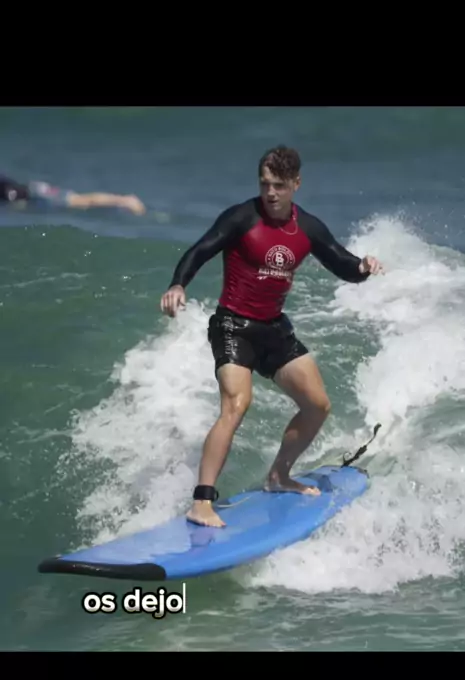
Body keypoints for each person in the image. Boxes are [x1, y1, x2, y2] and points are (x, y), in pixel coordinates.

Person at [160, 145, 384, 527]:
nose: (270, 193)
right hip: (233, 326)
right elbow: (200, 250)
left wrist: (363, 266)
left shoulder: (308, 228)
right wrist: (178, 284)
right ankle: (202, 502)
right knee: (236, 404)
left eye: (279, 185)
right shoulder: (241, 218)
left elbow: (341, 262)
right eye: (264, 184)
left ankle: (279, 475)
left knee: (317, 405)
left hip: (274, 328)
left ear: (296, 184)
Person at [0, 174, 146, 215]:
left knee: (80, 201)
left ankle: (125, 201)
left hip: (35, 194)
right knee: (79, 201)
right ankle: (123, 201)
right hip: (32, 191)